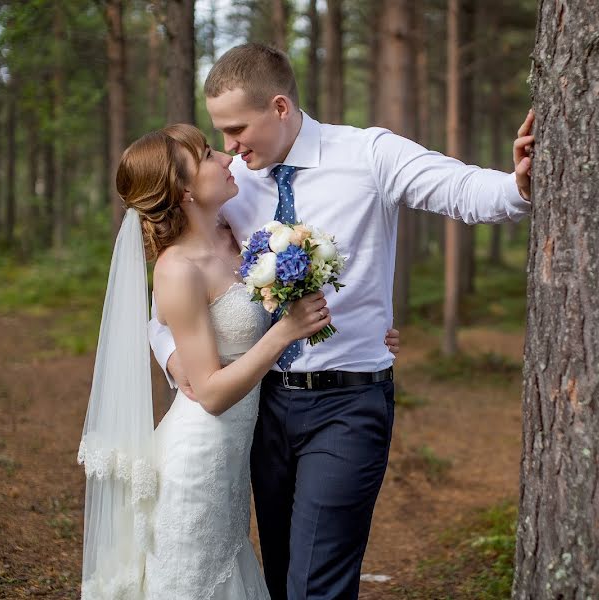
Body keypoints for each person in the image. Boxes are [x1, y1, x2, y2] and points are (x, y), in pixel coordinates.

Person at [149, 43, 535, 600]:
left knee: (316, 582)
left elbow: (461, 189)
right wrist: (171, 355)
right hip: (261, 409)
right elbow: (170, 296)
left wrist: (517, 184)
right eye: (220, 134)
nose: (229, 148)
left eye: (236, 129)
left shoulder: (368, 154)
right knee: (281, 575)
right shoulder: (229, 186)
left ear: (279, 108)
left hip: (348, 404)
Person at [78, 124, 400, 599]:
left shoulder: (238, 236)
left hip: (238, 454)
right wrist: (287, 332)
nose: (227, 158)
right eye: (209, 155)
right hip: (199, 456)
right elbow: (209, 393)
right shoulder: (177, 268)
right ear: (185, 190)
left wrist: (363, 333)